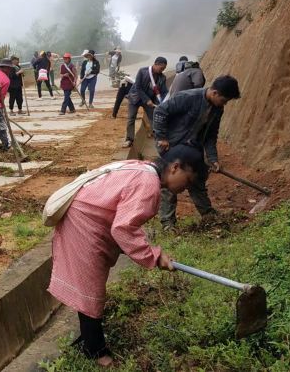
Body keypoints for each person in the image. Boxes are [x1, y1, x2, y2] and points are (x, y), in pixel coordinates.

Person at [47, 145, 203, 368]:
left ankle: (88, 339)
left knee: (89, 286)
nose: (185, 188)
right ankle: (95, 351)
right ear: (175, 168)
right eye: (187, 181)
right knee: (91, 288)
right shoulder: (148, 184)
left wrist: (151, 252)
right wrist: (153, 255)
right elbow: (123, 228)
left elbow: (123, 220)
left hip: (86, 217)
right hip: (83, 222)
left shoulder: (145, 169)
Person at [153, 75, 241, 230]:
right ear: (215, 93)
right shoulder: (188, 97)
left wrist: (213, 158)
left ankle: (209, 216)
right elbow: (160, 111)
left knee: (197, 180)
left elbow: (211, 135)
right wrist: (161, 137)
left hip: (193, 150)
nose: (224, 104)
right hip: (173, 146)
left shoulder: (217, 109)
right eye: (224, 100)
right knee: (170, 183)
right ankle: (168, 223)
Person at [123, 56, 168, 148]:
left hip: (150, 100)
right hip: (135, 98)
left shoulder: (162, 77)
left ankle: (158, 139)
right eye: (161, 68)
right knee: (131, 118)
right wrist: (146, 100)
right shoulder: (142, 71)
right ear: (156, 64)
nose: (162, 70)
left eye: (164, 69)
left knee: (153, 119)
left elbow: (164, 92)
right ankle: (129, 139)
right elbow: (138, 87)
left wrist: (165, 101)